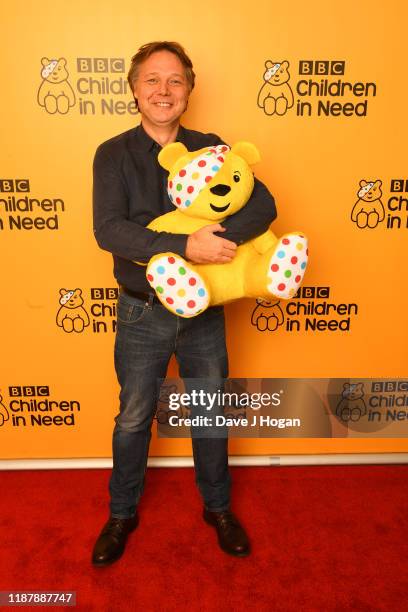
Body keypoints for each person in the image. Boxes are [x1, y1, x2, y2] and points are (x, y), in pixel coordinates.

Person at [91, 41, 277, 566]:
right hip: (142, 310)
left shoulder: (212, 147)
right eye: (152, 80)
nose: (163, 91)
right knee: (133, 417)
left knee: (209, 412)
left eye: (174, 81)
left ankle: (217, 508)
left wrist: (224, 237)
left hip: (205, 312)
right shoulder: (112, 153)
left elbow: (262, 202)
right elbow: (109, 230)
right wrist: (184, 246)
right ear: (134, 89)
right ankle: (121, 513)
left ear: (190, 90)